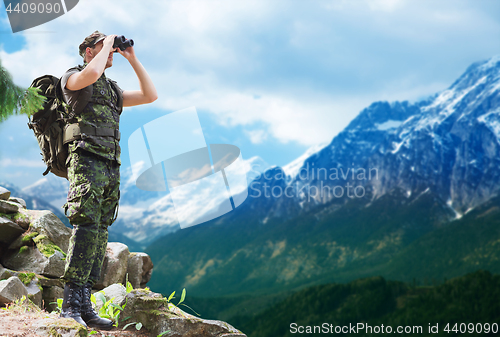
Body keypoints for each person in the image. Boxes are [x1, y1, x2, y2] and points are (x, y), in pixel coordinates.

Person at [59, 31, 157, 329]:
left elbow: (150, 95)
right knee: (86, 225)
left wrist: (131, 57)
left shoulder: (112, 90)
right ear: (88, 51)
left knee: (101, 230)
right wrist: (107, 39)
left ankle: (85, 303)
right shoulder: (72, 78)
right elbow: (90, 72)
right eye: (105, 49)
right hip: (86, 160)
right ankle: (70, 304)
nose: (111, 52)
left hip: (109, 165)